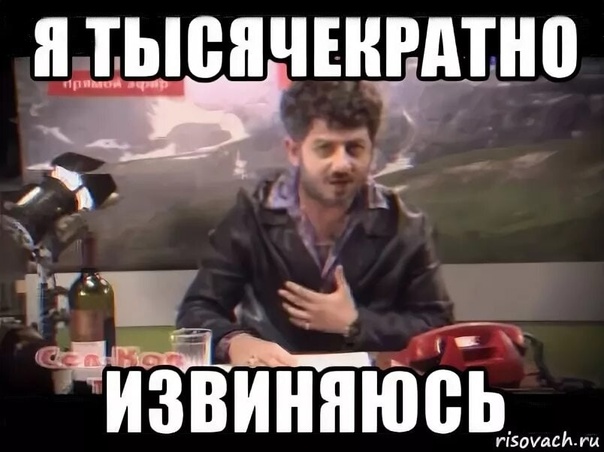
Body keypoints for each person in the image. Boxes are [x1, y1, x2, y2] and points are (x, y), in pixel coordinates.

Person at [176, 81, 454, 366]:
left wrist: (355, 323)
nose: (341, 164)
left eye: (354, 148)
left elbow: (438, 326)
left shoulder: (406, 227)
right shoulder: (250, 218)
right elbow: (196, 310)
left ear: (371, 150)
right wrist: (235, 342)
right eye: (325, 148)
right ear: (293, 151)